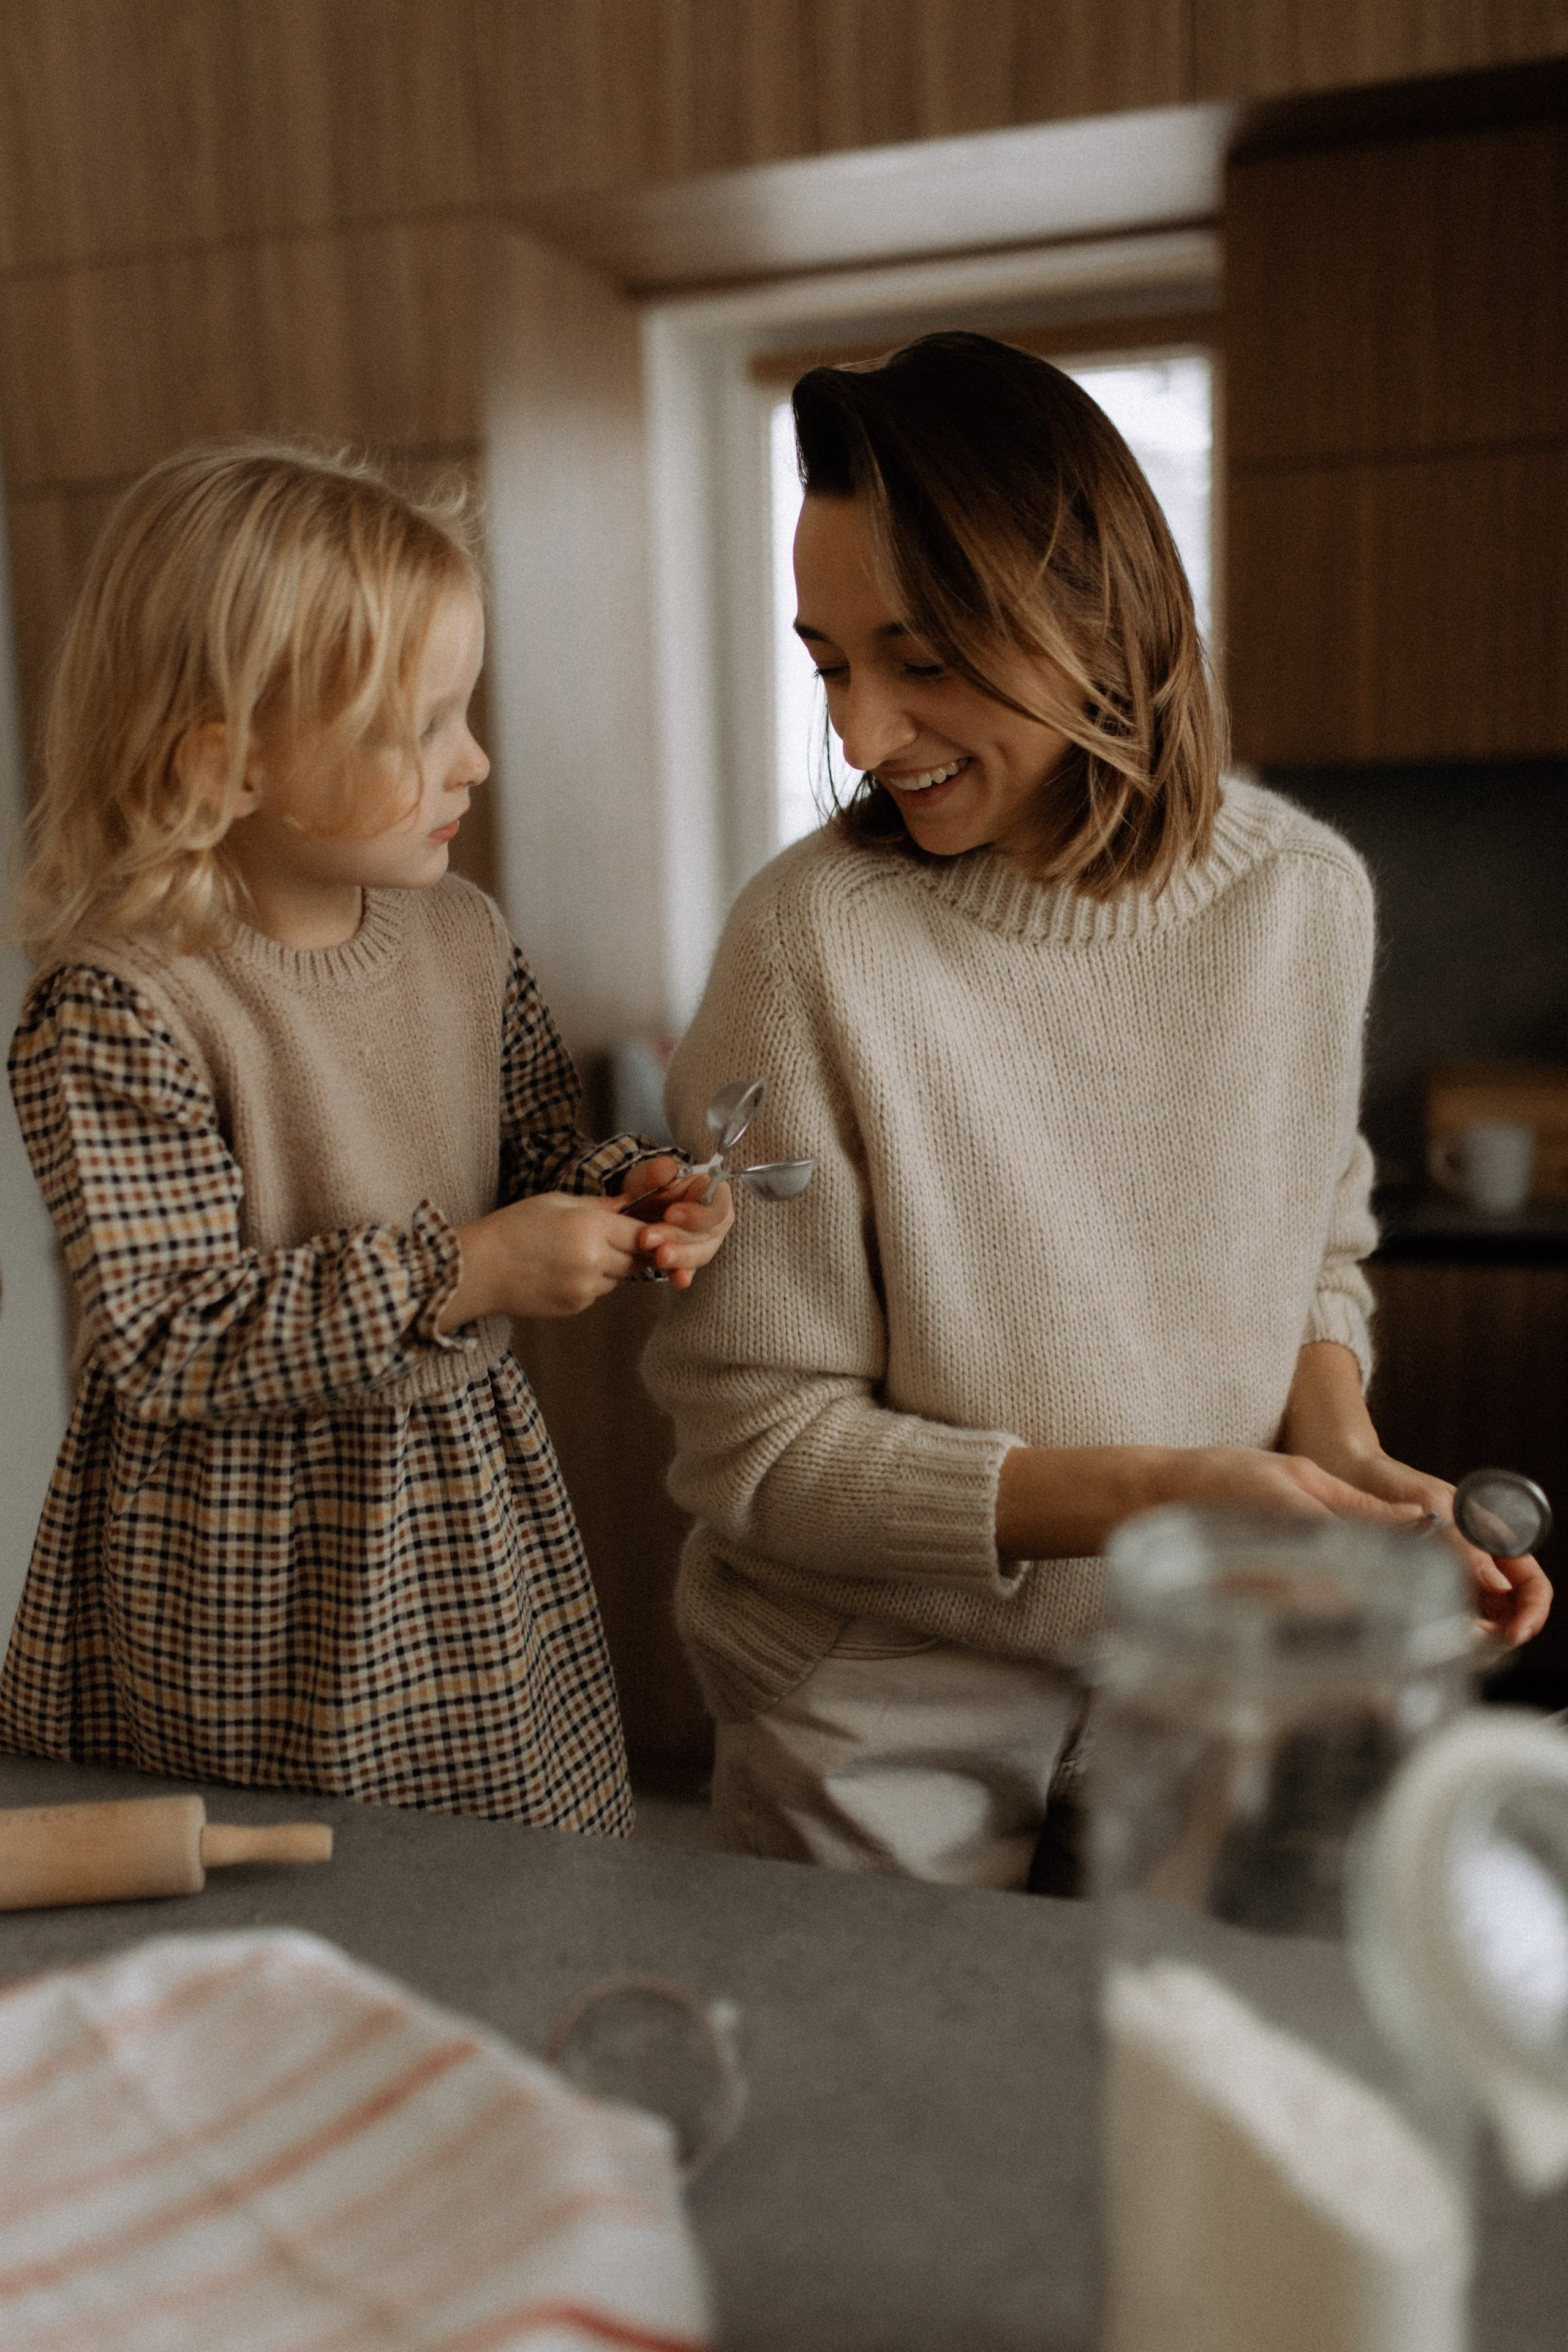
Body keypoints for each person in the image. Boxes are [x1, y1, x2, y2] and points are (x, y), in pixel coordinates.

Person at [644, 331, 1551, 1888]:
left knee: (1171, 2044)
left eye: (921, 659)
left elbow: (1311, 1251)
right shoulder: (811, 945)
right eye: (830, 664)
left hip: (1201, 1671)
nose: (860, 736)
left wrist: (1343, 1461)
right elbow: (763, 1451)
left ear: (1094, 617)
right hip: (878, 1700)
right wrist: (1160, 1495)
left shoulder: (1302, 899)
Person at [3, 443, 732, 1828]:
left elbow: (530, 1153)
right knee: (294, 1884)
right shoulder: (121, 1004)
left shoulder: (462, 936)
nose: (476, 758)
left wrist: (626, 1188)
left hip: (460, 1507)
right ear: (231, 762)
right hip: (234, 1561)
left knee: (510, 1879)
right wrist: (469, 1271)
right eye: (422, 724)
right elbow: (163, 1337)